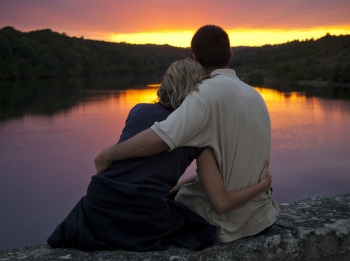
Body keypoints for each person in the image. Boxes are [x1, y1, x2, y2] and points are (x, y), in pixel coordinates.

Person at [47, 59, 272, 252]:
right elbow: (220, 202)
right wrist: (261, 186)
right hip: (141, 216)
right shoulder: (197, 132)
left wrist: (173, 188)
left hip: (97, 205)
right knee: (199, 227)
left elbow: (140, 169)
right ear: (197, 90)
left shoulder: (138, 110)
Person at [94, 25, 280, 242]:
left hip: (225, 224)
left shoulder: (203, 95)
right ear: (230, 54)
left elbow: (160, 138)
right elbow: (222, 170)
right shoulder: (255, 96)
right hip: (261, 217)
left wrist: (109, 154)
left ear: (193, 58)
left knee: (155, 212)